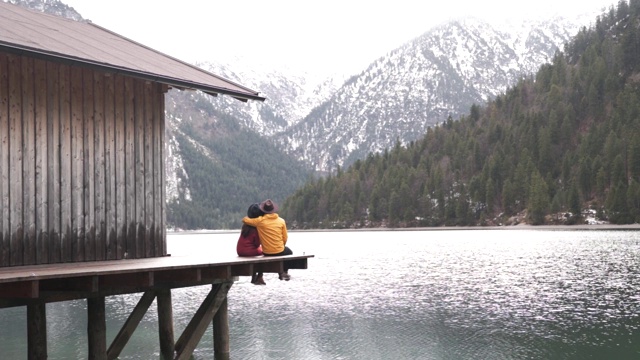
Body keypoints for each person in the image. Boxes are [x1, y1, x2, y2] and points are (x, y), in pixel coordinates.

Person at [242, 199, 292, 281]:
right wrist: (280, 246)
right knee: (289, 252)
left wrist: (253, 216)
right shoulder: (281, 221)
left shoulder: (260, 221)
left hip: (266, 252)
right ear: (273, 210)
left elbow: (244, 220)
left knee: (264, 254)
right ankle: (284, 272)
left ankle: (260, 276)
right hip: (279, 250)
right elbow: (285, 238)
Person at [237, 203, 266, 285]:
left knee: (257, 253)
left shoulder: (245, 225)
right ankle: (259, 276)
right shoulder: (256, 228)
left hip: (239, 250)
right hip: (248, 251)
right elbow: (257, 244)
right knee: (264, 253)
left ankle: (254, 277)